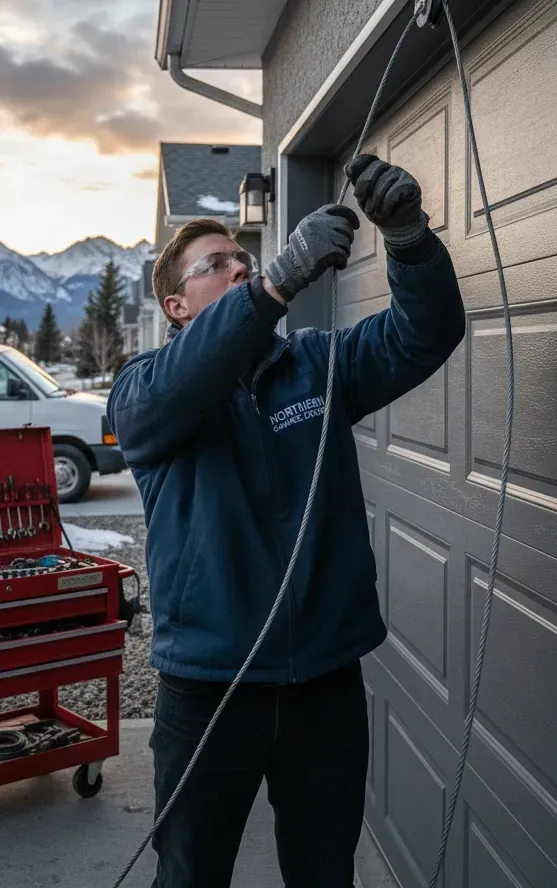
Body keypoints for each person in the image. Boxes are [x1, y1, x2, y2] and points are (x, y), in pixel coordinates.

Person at [107, 154, 466, 888]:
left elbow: (422, 336)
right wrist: (272, 285)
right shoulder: (145, 392)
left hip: (324, 688)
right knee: (189, 875)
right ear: (176, 306)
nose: (239, 267)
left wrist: (409, 241)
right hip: (208, 691)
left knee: (325, 874)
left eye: (244, 258)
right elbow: (180, 388)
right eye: (216, 265)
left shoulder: (315, 365)